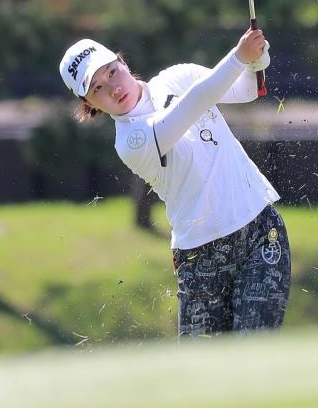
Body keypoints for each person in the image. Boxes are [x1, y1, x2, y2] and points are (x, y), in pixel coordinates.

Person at [59, 28, 291, 337]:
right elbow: (191, 106)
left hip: (260, 232)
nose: (113, 88)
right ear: (91, 104)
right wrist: (238, 57)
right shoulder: (130, 140)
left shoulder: (179, 76)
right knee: (204, 377)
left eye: (112, 72)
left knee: (255, 353)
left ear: (122, 61)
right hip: (199, 258)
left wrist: (256, 61)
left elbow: (247, 89)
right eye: (98, 89)